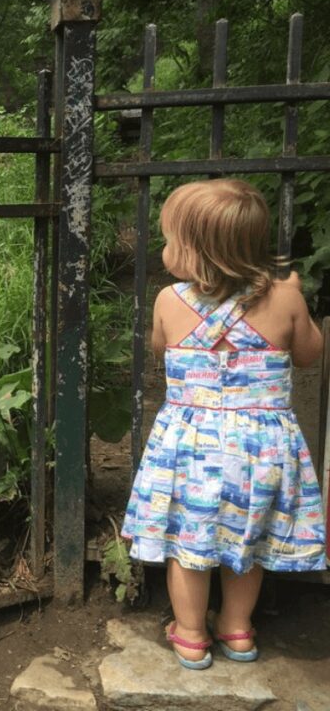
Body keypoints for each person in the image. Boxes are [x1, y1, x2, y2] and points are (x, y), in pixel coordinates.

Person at [121, 178, 326, 670]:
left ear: (192, 251)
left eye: (171, 239)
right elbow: (311, 354)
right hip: (262, 450)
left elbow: (159, 348)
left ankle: (190, 634)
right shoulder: (285, 298)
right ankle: (237, 630)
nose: (165, 247)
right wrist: (295, 295)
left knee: (188, 545)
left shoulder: (170, 301)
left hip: (191, 448)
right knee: (247, 541)